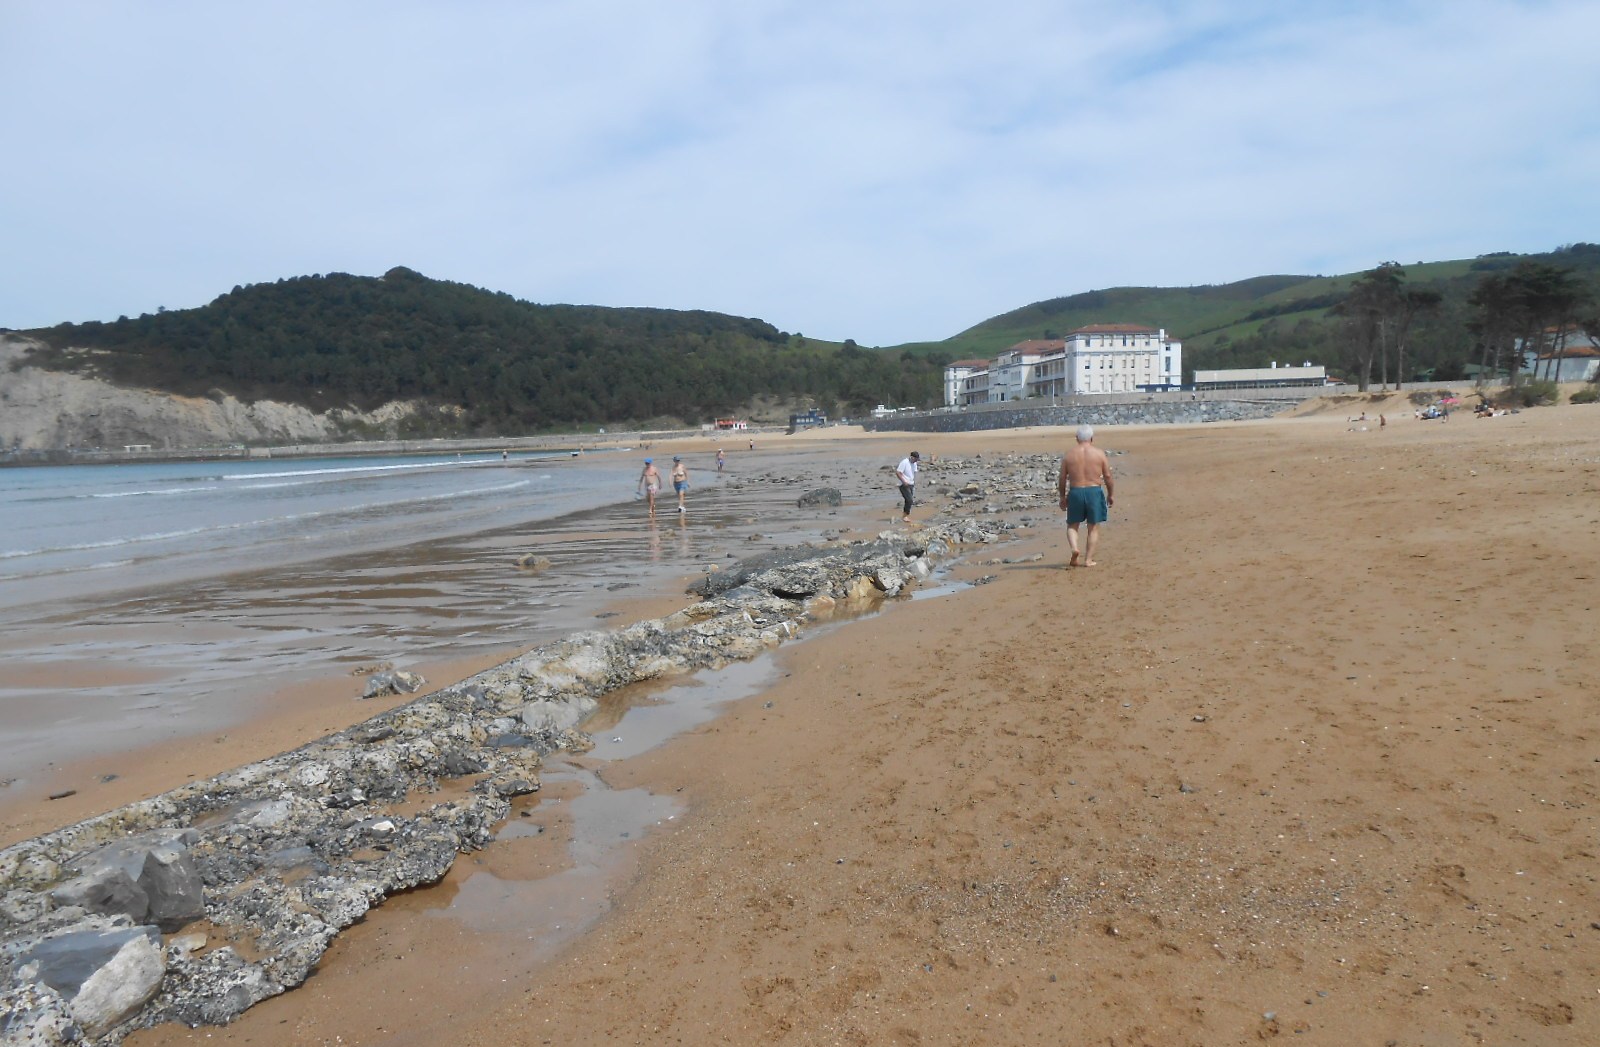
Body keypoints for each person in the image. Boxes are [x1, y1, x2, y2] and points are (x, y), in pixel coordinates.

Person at [1056, 425, 1114, 567]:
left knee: (1072, 525)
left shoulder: (1069, 455)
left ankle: (1074, 548)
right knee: (1093, 527)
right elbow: (1107, 476)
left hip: (1076, 491)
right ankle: (1088, 560)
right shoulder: (1099, 453)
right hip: (1094, 491)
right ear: (1092, 438)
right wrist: (1110, 494)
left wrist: (1062, 496)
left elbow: (1062, 478)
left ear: (1077, 438)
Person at [894, 450, 920, 522]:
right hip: (904, 485)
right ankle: (905, 516)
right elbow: (898, 472)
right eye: (915, 459)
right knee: (909, 500)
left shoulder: (914, 463)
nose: (916, 461)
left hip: (911, 484)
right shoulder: (904, 462)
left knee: (908, 501)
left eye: (917, 459)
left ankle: (905, 515)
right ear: (912, 457)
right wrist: (904, 481)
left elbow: (913, 473)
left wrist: (914, 482)